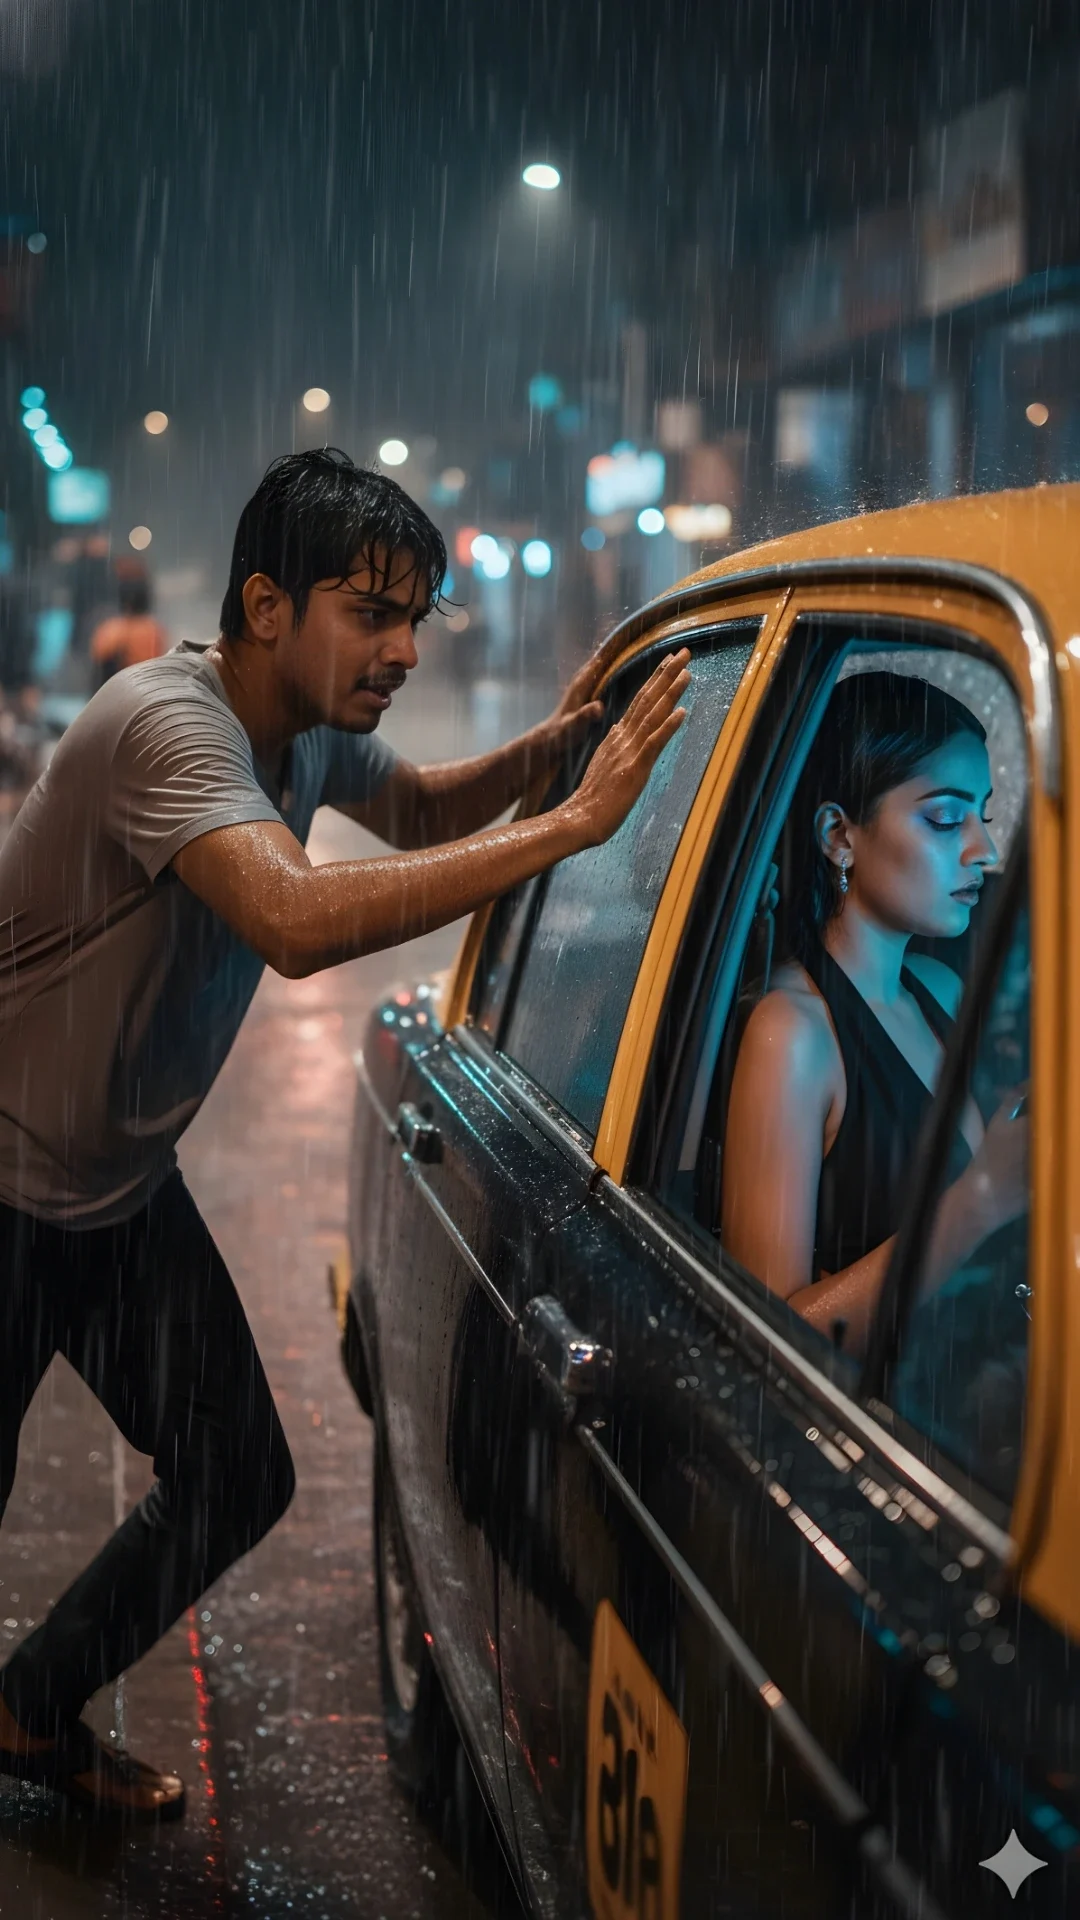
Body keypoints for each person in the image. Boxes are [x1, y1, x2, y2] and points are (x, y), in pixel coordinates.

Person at [0, 448, 690, 1819]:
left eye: (417, 618)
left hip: (115, 1192)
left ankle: (25, 1712)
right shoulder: (168, 725)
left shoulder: (305, 733)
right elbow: (301, 921)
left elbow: (422, 809)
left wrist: (548, 753)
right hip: (2, 1179)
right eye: (373, 613)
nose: (405, 649)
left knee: (235, 1470)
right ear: (266, 606)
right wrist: (574, 823)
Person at [721, 670, 1028, 1357]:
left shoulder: (937, 987)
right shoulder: (793, 1036)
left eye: (982, 813)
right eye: (947, 819)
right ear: (839, 835)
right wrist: (978, 1200)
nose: (986, 849)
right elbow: (768, 1348)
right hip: (881, 1432)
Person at [88, 573, 170, 676]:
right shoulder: (155, 629)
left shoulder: (113, 630)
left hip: (120, 683)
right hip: (149, 682)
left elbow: (99, 660)